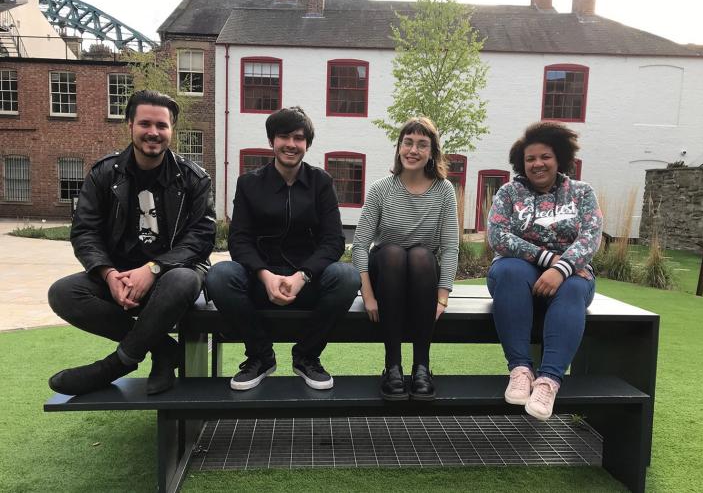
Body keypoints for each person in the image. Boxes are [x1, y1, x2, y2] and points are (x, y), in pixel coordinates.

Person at [47, 90, 216, 396]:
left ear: (171, 130)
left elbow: (201, 238)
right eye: (145, 124)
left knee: (181, 280)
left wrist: (153, 268)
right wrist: (108, 274)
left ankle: (118, 363)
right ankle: (163, 349)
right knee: (63, 293)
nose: (153, 132)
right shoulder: (103, 173)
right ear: (130, 125)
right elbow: (85, 231)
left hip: (174, 271)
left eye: (162, 126)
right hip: (121, 274)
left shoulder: (194, 179)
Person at [206, 107, 360, 391]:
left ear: (307, 144)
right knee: (219, 276)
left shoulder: (320, 182)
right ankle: (261, 355)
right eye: (283, 136)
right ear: (271, 141)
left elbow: (333, 240)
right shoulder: (250, 184)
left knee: (348, 277)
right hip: (260, 281)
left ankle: (306, 356)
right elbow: (239, 239)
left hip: (308, 282)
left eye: (299, 138)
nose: (291, 144)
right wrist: (265, 275)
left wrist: (302, 276)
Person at [487, 121, 603, 421]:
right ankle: (520, 370)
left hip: (570, 276)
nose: (537, 164)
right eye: (530, 159)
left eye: (545, 157)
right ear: (521, 163)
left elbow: (590, 236)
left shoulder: (581, 192)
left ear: (560, 158)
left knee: (575, 287)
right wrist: (549, 261)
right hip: (518, 273)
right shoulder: (509, 193)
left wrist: (563, 269)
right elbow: (498, 236)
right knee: (510, 271)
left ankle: (549, 381)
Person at [352, 117, 459, 401]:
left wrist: (442, 297)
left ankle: (422, 366)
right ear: (399, 148)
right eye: (408, 142)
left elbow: (449, 248)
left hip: (422, 278)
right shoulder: (381, 189)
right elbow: (360, 245)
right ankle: (393, 366)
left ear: (432, 152)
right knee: (393, 252)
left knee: (422, 255)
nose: (413, 150)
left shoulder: (444, 190)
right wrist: (368, 294)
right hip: (386, 273)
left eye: (422, 144)